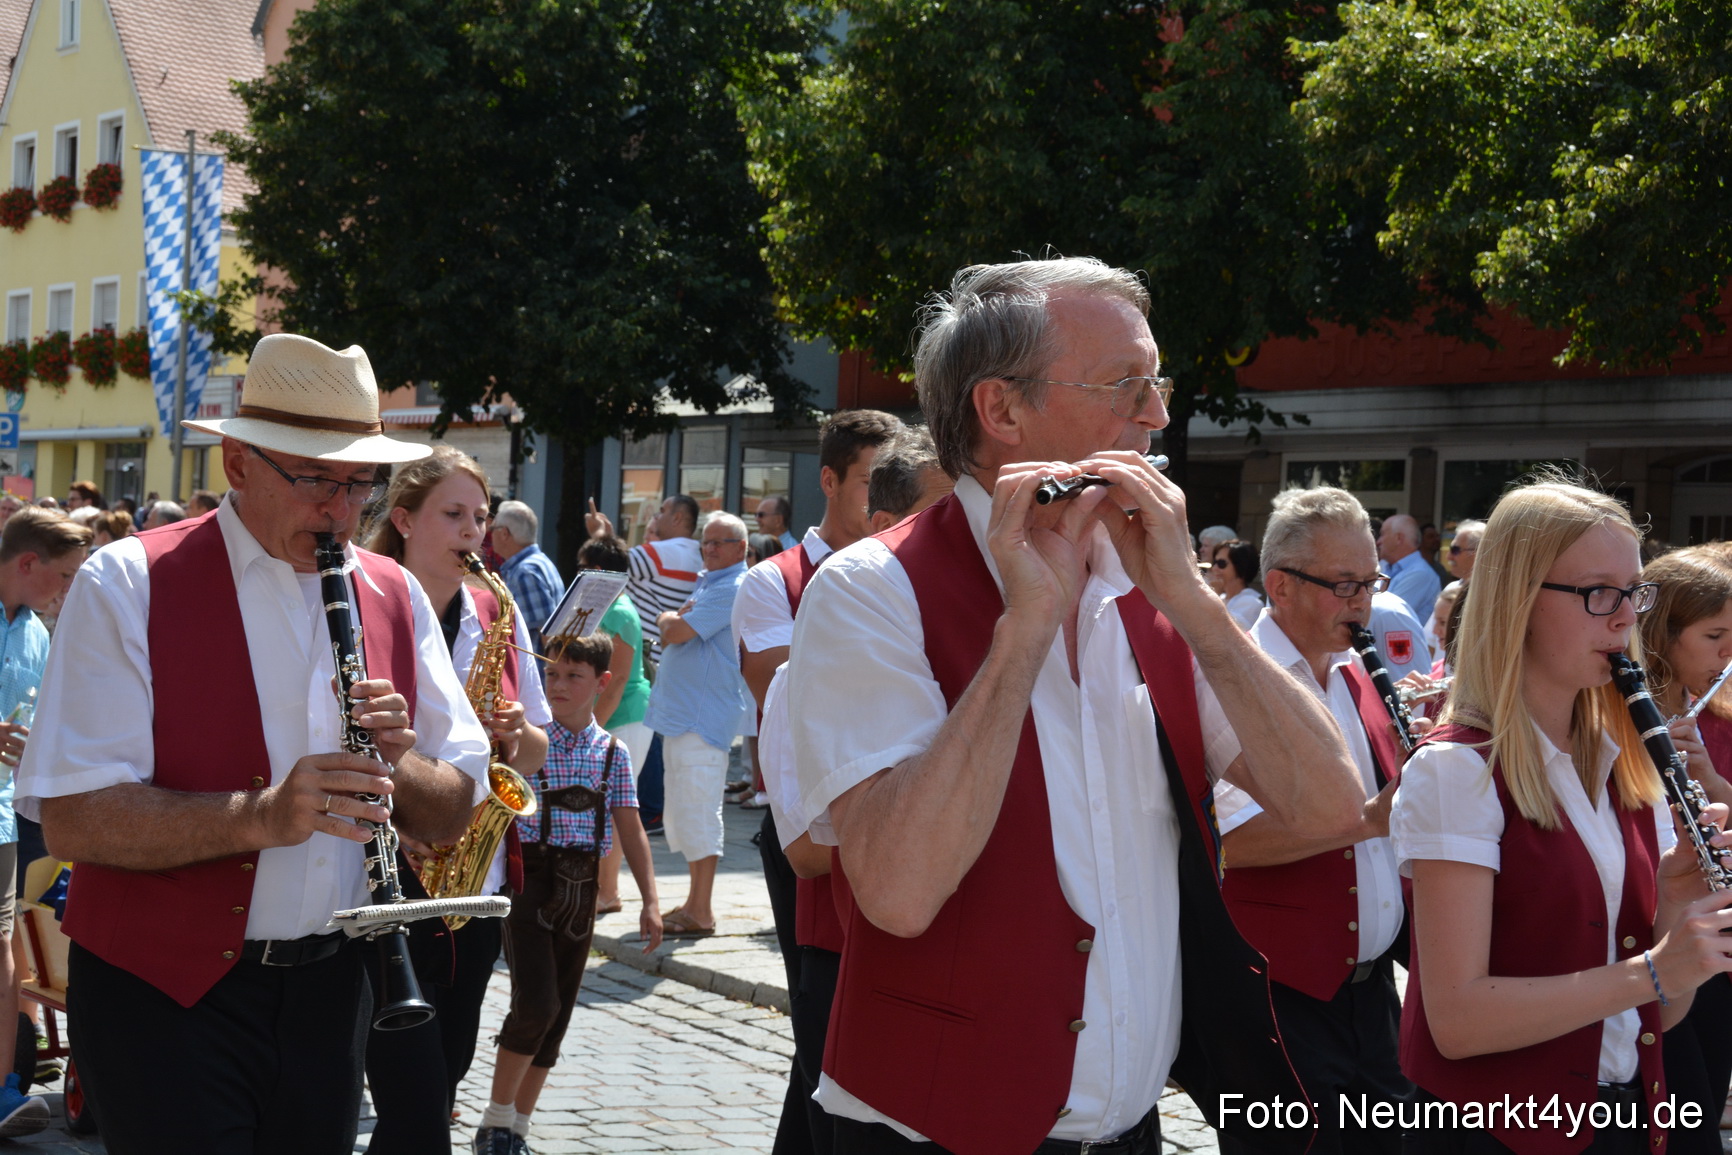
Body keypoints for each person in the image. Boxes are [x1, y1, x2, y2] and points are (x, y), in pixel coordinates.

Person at [784, 257, 1363, 1154]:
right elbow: (896, 892)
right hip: (931, 1133)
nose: (1157, 413)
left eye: (1156, 381)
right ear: (1001, 409)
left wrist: (1200, 611)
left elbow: (1332, 807)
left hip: (1130, 1130)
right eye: (1125, 383)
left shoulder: (1153, 588)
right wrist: (1024, 632)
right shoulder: (870, 587)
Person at [14, 332, 491, 1154]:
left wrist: (401, 760)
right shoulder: (128, 580)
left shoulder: (393, 591)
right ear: (238, 464)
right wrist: (264, 815)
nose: (340, 509)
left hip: (330, 990)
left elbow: (454, 808)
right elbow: (74, 819)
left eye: (359, 485)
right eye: (314, 478)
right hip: (160, 993)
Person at [1390, 477, 1732, 1155]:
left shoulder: (1627, 764)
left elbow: (1659, 1015)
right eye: (1598, 592)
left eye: (1635, 592)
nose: (1625, 618)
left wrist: (1675, 906)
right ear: (1519, 601)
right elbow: (1455, 1018)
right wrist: (1655, 969)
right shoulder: (1458, 770)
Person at [1212, 487, 1413, 1155]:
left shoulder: (1357, 670)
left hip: (1373, 995)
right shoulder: (1237, 677)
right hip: (1283, 1000)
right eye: (1346, 583)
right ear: (1281, 586)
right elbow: (1228, 844)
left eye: (1371, 580)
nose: (1364, 601)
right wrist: (1369, 819)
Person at [363, 446, 553, 1154]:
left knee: (446, 1066)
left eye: (481, 515)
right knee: (407, 1087)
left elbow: (535, 748)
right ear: (405, 519)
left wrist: (516, 732)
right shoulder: (367, 601)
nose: (475, 529)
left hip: (474, 876)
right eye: (454, 514)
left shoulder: (495, 611)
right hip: (390, 867)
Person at [732, 408, 903, 1153]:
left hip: (894, 816)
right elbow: (789, 700)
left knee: (839, 1045)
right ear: (830, 480)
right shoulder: (775, 580)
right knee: (824, 1024)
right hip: (808, 822)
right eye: (871, 482)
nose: (882, 500)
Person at [475, 632, 662, 1155]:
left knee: (555, 1018)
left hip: (582, 891)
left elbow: (630, 826)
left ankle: (516, 1129)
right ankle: (493, 1120)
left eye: (572, 676)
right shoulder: (529, 740)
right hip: (532, 880)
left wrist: (648, 898)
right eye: (551, 674)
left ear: (601, 684)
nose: (558, 684)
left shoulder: (613, 753)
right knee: (536, 1002)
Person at [1634, 545, 1732, 1154]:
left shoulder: (1715, 717)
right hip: (1647, 941)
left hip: (1713, 941)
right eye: (1714, 635)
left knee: (1701, 1086)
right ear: (1663, 637)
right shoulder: (1614, 716)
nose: (1728, 653)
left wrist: (1714, 783)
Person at [0, 508, 90, 1136]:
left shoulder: (35, 630)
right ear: (27, 563)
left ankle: (7, 1085)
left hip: (12, 820)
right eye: (62, 577)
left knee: (10, 954)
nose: (67, 592)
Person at [642, 512, 752, 937]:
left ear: (741, 548)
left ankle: (701, 911)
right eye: (706, 541)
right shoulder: (713, 582)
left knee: (700, 812)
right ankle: (694, 903)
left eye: (720, 542)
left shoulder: (733, 586)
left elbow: (679, 631)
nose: (710, 549)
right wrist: (674, 621)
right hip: (686, 716)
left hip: (702, 718)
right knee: (685, 812)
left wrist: (670, 619)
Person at [578, 534, 654, 915]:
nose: (579, 574)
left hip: (625, 717)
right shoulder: (606, 606)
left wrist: (589, 727)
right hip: (616, 716)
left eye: (584, 567)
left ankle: (608, 892)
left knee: (614, 807)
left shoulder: (619, 611)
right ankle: (604, 888)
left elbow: (619, 678)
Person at [587, 494, 704, 662]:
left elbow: (609, 563)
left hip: (644, 661)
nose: (656, 517)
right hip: (668, 658)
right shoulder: (697, 556)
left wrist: (597, 533)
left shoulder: (662, 552)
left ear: (677, 518)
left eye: (662, 511)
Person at [490, 500, 563, 652]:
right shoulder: (538, 563)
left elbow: (548, 637)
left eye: (493, 528)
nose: (489, 533)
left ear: (504, 533)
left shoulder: (525, 573)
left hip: (536, 672)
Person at [1378, 513, 1442, 623]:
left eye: (1382, 534)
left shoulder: (1421, 574)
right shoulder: (1385, 566)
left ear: (1398, 538)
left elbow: (1386, 615)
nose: (1378, 541)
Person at [1208, 538, 1263, 629]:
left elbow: (1226, 631)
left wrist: (1214, 596)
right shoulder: (1222, 597)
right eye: (1215, 562)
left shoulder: (1252, 603)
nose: (1214, 568)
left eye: (1222, 563)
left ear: (1240, 566)